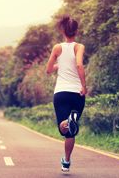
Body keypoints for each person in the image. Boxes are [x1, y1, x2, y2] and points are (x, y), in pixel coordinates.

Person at [46, 15, 87, 172]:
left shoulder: (57, 48)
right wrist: (84, 86)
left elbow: (48, 70)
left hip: (61, 92)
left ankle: (65, 123)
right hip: (76, 93)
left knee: (64, 129)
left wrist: (59, 66)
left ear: (62, 30)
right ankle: (67, 160)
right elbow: (78, 64)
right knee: (71, 130)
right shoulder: (79, 47)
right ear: (76, 31)